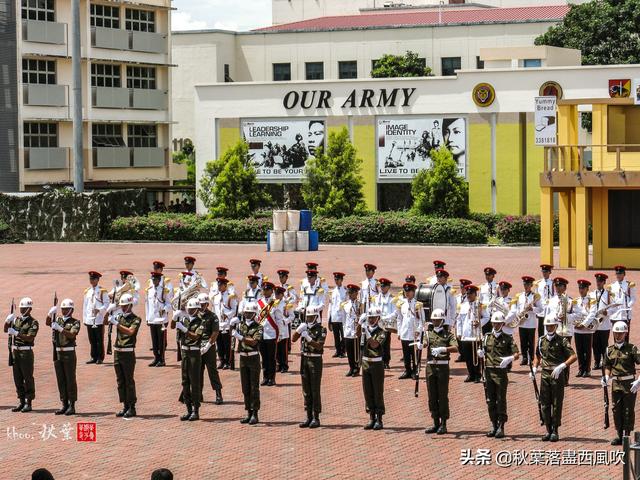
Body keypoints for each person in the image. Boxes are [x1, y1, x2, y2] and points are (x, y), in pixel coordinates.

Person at [530, 316, 577, 442]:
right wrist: (534, 368)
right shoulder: (541, 340)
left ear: (556, 326)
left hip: (557, 374)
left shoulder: (562, 340)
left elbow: (573, 356)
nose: (549, 328)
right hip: (545, 373)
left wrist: (562, 366)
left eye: (551, 326)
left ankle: (555, 430)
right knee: (544, 403)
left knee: (557, 403)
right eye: (547, 326)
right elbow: (538, 356)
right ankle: (547, 429)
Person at [477, 312, 519, 439]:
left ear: (502, 324)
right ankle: (493, 424)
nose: (496, 325)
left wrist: (509, 359)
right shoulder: (487, 337)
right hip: (489, 371)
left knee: (501, 399)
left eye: (498, 323)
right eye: (494, 323)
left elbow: (517, 354)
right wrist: (481, 352)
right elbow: (483, 350)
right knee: (490, 400)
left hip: (500, 372)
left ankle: (501, 426)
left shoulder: (508, 338)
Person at [603, 321, 640, 445]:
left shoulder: (632, 349)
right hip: (616, 383)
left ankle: (627, 435)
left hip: (629, 383)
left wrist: (639, 381)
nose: (618, 336)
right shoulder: (609, 350)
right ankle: (619, 434)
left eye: (620, 333)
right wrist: (606, 376)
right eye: (616, 333)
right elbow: (607, 364)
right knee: (616, 409)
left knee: (628, 409)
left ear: (625, 333)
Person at [422, 308, 458, 435]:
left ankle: (444, 423)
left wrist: (443, 349)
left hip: (442, 366)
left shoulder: (448, 334)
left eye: (438, 320)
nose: (436, 322)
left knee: (442, 395)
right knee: (432, 395)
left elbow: (455, 347)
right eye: (434, 320)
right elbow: (425, 343)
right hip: (431, 366)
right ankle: (435, 422)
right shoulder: (428, 333)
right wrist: (421, 344)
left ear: (442, 320)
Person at [292, 305, 327, 428]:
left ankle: (316, 417)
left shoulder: (322, 329)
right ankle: (308, 416)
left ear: (316, 317)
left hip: (315, 360)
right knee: (306, 389)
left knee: (314, 389)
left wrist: (307, 337)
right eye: (308, 317)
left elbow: (319, 346)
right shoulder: (304, 327)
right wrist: (298, 330)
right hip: (304, 359)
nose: (310, 319)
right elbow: (293, 339)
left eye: (312, 317)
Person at [46, 298, 80, 416]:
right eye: (63, 309)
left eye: (66, 309)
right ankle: (64, 404)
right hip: (58, 352)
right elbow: (47, 322)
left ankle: (72, 405)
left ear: (71, 309)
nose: (64, 311)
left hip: (69, 353)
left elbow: (71, 335)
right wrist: (50, 313)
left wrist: (60, 328)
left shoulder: (75, 322)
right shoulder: (58, 319)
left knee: (70, 379)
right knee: (61, 380)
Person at [110, 293, 141, 418]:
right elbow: (107, 321)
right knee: (120, 381)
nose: (122, 308)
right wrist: (109, 310)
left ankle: (132, 407)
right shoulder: (119, 316)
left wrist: (116, 324)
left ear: (130, 305)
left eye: (125, 306)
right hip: (118, 351)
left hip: (128, 352)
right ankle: (125, 405)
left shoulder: (136, 319)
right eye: (121, 306)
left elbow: (130, 332)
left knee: (129, 381)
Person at [5, 297, 39, 412]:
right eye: (21, 307)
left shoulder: (33, 322)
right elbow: (6, 330)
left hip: (26, 352)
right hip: (16, 352)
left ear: (29, 309)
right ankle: (21, 401)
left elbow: (30, 338)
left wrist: (16, 333)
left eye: (24, 308)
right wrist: (7, 321)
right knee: (17, 377)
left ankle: (28, 402)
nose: (22, 309)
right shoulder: (16, 320)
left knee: (27, 377)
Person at [174, 298, 204, 421]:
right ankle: (188, 410)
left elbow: (196, 336)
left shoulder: (201, 322)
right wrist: (175, 317)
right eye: (189, 309)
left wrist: (185, 329)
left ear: (197, 309)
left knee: (194, 383)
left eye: (192, 309)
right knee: (185, 382)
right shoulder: (185, 320)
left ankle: (196, 410)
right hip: (185, 352)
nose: (190, 311)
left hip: (194, 353)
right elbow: (172, 326)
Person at [234, 302, 263, 425]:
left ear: (254, 314)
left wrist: (240, 337)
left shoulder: (258, 327)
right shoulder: (241, 326)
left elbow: (254, 342)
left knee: (254, 387)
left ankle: (255, 413)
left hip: (253, 358)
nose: (247, 315)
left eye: (250, 313)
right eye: (246, 312)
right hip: (243, 358)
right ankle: (248, 412)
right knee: (245, 387)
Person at [359, 305, 388, 430]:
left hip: (376, 363)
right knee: (368, 391)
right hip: (365, 362)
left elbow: (375, 345)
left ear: (378, 318)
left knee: (377, 391)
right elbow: (356, 335)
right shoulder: (365, 328)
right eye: (369, 317)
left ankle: (379, 419)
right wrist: (360, 324)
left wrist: (367, 332)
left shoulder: (382, 331)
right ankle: (371, 417)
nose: (371, 320)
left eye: (373, 318)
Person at [508, 276, 543, 366]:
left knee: (531, 341)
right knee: (523, 341)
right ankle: (524, 357)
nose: (526, 286)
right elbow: (516, 308)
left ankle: (531, 358)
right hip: (522, 322)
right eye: (524, 284)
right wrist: (519, 314)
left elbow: (540, 309)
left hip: (531, 322)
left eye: (528, 284)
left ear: (531, 285)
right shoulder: (519, 296)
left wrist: (532, 308)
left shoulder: (535, 296)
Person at [458, 285, 489, 383]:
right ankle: (470, 374)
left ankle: (477, 375)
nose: (468, 295)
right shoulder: (463, 305)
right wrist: (459, 332)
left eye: (470, 293)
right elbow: (459, 320)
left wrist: (479, 323)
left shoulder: (479, 305)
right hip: (465, 335)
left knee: (476, 356)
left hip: (475, 335)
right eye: (467, 293)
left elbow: (487, 317)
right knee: (467, 357)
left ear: (475, 294)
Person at [198, 293, 223, 405]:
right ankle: (198, 393)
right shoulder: (195, 315)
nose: (201, 307)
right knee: (198, 372)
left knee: (212, 371)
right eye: (200, 305)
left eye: (203, 305)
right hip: (198, 347)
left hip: (209, 347)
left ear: (207, 304)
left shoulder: (212, 316)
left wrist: (208, 345)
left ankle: (218, 394)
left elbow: (215, 332)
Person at [396, 282, 424, 380]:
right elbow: (399, 319)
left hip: (414, 334)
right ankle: (407, 370)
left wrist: (418, 330)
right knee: (406, 354)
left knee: (414, 354)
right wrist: (399, 332)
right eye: (406, 291)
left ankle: (415, 371)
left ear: (413, 292)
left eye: (409, 291)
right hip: (405, 332)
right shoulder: (401, 304)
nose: (407, 293)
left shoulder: (418, 305)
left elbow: (421, 320)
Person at [146, 272, 172, 367]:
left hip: (161, 319)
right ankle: (156, 358)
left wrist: (164, 309)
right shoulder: (149, 290)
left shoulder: (164, 291)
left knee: (161, 341)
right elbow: (147, 305)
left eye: (156, 280)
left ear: (159, 280)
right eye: (153, 279)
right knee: (154, 341)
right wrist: (147, 318)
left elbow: (169, 304)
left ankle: (162, 359)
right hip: (152, 318)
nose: (154, 281)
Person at [83, 271, 108, 364]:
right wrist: (85, 319)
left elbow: (106, 304)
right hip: (90, 319)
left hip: (98, 319)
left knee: (99, 339)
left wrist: (100, 310)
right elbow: (85, 306)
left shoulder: (102, 291)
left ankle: (100, 357)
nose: (92, 280)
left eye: (94, 279)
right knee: (92, 339)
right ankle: (93, 356)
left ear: (98, 280)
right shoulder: (87, 291)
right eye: (90, 279)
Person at [212, 277, 237, 370]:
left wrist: (228, 315)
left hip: (227, 323)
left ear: (225, 286)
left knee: (227, 344)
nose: (219, 286)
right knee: (220, 344)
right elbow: (214, 309)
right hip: (218, 323)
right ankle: (222, 360)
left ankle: (228, 361)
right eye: (218, 285)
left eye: (221, 285)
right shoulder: (216, 296)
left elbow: (234, 309)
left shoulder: (230, 296)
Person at [257, 282, 278, 386]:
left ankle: (272, 378)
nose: (265, 292)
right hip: (261, 333)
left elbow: (278, 320)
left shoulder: (275, 303)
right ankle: (265, 377)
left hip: (271, 333)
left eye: (267, 290)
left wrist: (280, 334)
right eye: (263, 290)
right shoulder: (259, 302)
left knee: (271, 358)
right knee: (264, 357)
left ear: (271, 291)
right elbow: (257, 318)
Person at [591, 273, 614, 370]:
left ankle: (605, 362)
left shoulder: (608, 294)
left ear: (604, 282)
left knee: (604, 344)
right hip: (594, 323)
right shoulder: (592, 294)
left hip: (604, 324)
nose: (598, 283)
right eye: (597, 281)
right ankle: (597, 362)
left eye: (600, 281)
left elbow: (613, 308)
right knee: (595, 344)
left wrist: (607, 312)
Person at [573, 279, 595, 377]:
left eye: (583, 288)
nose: (581, 290)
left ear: (587, 289)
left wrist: (584, 324)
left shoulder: (591, 300)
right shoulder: (576, 301)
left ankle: (587, 370)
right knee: (579, 350)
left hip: (587, 329)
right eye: (580, 288)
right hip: (577, 329)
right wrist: (575, 323)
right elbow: (573, 313)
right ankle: (581, 369)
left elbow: (592, 314)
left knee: (587, 350)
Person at [374, 278, 397, 369]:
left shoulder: (392, 298)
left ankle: (386, 361)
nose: (382, 288)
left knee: (385, 343)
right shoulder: (376, 298)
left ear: (388, 287)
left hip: (387, 323)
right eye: (381, 286)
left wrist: (384, 318)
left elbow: (394, 312)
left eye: (384, 286)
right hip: (377, 322)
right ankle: (378, 359)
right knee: (377, 341)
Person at [342, 284, 362, 377]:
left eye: (351, 293)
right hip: (348, 330)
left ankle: (356, 368)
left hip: (356, 329)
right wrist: (344, 329)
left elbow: (363, 317)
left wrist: (360, 327)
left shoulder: (360, 304)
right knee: (349, 350)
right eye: (348, 293)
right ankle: (351, 367)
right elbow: (344, 318)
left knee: (356, 350)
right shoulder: (346, 304)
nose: (349, 295)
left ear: (356, 293)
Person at [610, 265, 636, 333]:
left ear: (624, 274)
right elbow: (611, 300)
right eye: (617, 273)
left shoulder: (629, 285)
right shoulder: (612, 286)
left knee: (625, 336)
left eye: (620, 273)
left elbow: (633, 298)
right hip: (615, 315)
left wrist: (628, 306)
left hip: (625, 315)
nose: (618, 275)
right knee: (616, 336)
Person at [274, 286, 294, 373]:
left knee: (283, 349)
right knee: (277, 349)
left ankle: (284, 366)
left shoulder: (286, 304)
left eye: (278, 294)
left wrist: (285, 321)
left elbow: (292, 316)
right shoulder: (273, 303)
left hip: (284, 329)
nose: (276, 296)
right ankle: (278, 364)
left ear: (282, 295)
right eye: (275, 294)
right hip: (275, 329)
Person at [328, 272, 347, 358]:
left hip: (342, 316)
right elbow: (330, 305)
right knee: (336, 335)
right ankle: (338, 350)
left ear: (341, 280)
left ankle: (343, 351)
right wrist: (329, 318)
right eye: (335, 279)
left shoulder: (345, 291)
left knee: (343, 335)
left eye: (338, 279)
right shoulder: (332, 292)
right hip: (335, 316)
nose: (336, 281)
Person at [535, 264, 555, 338]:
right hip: (541, 311)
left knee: (550, 331)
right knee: (541, 332)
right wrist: (536, 309)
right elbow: (536, 297)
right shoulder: (538, 283)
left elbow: (555, 296)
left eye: (546, 272)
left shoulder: (553, 283)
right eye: (543, 272)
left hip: (550, 311)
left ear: (550, 272)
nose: (544, 273)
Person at [479, 267, 498, 334]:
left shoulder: (497, 286)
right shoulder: (482, 287)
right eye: (486, 275)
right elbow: (480, 301)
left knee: (495, 334)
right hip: (485, 315)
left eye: (489, 275)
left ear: (493, 276)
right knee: (485, 334)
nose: (487, 276)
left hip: (494, 314)